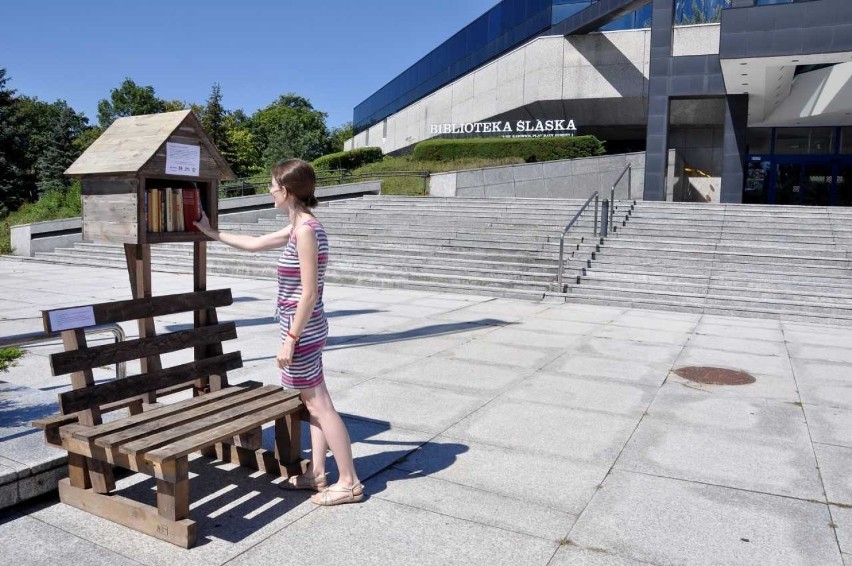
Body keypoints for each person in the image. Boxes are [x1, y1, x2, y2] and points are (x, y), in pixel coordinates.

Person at [194, 158, 363, 506]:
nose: (269, 190)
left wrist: (290, 339)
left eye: (272, 185)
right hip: (305, 327)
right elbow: (255, 243)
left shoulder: (305, 231)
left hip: (302, 330)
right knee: (313, 405)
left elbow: (309, 291)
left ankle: (349, 482)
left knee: (321, 407)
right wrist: (212, 232)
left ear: (285, 191)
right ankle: (317, 474)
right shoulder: (299, 226)